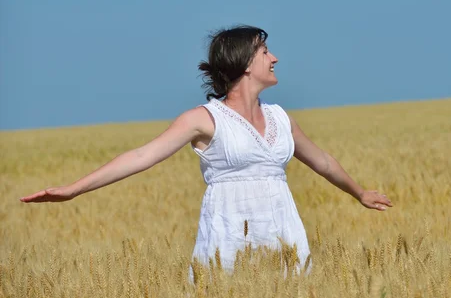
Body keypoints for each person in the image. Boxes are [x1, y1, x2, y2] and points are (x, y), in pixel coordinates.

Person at [20, 25, 393, 275]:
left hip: (285, 238)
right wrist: (73, 189)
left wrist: (360, 192)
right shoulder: (203, 119)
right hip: (228, 242)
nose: (274, 57)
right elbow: (140, 157)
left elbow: (323, 162)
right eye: (264, 51)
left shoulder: (281, 118)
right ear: (245, 62)